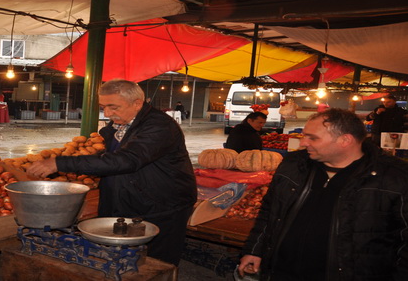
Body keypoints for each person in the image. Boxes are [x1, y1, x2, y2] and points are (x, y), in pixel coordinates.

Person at [27, 79, 197, 266]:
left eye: (113, 107)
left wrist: (61, 163)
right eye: (103, 107)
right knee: (122, 261)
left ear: (137, 104)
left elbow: (127, 160)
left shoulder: (160, 126)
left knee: (155, 264)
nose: (107, 113)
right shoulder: (119, 125)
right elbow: (114, 156)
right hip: (128, 200)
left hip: (161, 206)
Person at [238, 108, 408, 280]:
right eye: (304, 135)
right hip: (280, 272)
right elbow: (269, 212)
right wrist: (255, 250)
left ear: (345, 140)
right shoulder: (293, 165)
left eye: (312, 138)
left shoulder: (394, 177)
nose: (303, 143)